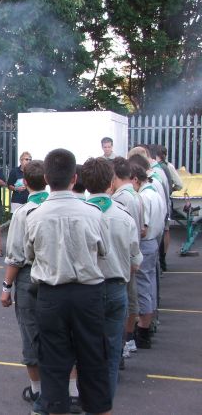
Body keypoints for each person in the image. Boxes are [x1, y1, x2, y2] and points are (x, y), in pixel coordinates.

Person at [25, 148, 111, 415]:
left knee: (52, 365)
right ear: (75, 178)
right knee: (94, 363)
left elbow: (30, 255)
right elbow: (104, 251)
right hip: (88, 294)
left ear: (47, 179)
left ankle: (56, 407)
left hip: (51, 296)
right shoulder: (93, 213)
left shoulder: (34, 216)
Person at [81, 157, 142, 400]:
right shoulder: (124, 216)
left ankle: (84, 399)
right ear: (111, 182)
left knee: (84, 348)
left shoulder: (80, 215)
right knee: (112, 350)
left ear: (85, 184)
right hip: (117, 287)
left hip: (87, 288)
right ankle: (104, 403)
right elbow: (136, 262)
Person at [0, 159, 48, 413]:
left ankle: (38, 391)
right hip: (58, 279)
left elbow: (16, 256)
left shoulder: (23, 213)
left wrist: (6, 287)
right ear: (48, 181)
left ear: (25, 183)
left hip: (30, 278)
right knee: (60, 335)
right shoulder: (59, 206)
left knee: (31, 334)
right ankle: (72, 393)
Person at [111, 157, 144, 362]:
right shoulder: (135, 194)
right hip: (132, 254)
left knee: (124, 304)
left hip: (123, 257)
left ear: (114, 176)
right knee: (130, 300)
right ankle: (128, 341)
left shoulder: (122, 198)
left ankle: (123, 344)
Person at [130, 163, 165, 349]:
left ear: (135, 179)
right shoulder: (155, 193)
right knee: (149, 283)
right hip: (154, 242)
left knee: (142, 286)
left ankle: (143, 329)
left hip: (145, 243)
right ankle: (148, 324)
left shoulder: (143, 197)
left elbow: (143, 229)